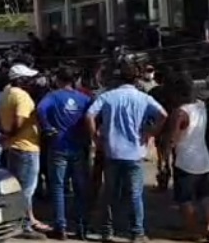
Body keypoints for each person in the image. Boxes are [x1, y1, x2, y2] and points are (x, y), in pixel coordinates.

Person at [86, 62, 167, 243]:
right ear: (136, 78)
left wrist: (96, 138)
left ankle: (107, 230)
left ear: (117, 78)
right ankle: (136, 232)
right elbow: (164, 114)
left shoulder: (108, 96)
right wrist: (150, 132)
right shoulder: (143, 98)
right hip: (135, 152)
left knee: (110, 193)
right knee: (135, 194)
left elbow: (89, 115)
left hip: (112, 151)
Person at [37, 67, 93, 240]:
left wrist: (47, 127)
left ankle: (60, 227)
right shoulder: (84, 98)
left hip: (58, 146)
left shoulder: (52, 96)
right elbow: (93, 116)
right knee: (80, 189)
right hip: (79, 147)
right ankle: (81, 227)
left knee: (58, 187)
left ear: (58, 80)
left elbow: (40, 109)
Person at [0, 63, 48, 238]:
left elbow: (0, 116)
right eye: (28, 79)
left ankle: (27, 219)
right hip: (26, 147)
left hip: (14, 147)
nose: (31, 81)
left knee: (19, 186)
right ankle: (24, 226)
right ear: (20, 80)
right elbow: (19, 122)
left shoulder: (6, 93)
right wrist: (9, 134)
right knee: (27, 189)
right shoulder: (23, 97)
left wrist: (6, 135)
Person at [169, 77, 209, 241]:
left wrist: (168, 149)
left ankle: (193, 232)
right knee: (205, 196)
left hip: (186, 161)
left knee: (184, 198)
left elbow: (175, 137)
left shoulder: (182, 111)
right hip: (204, 158)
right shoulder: (202, 107)